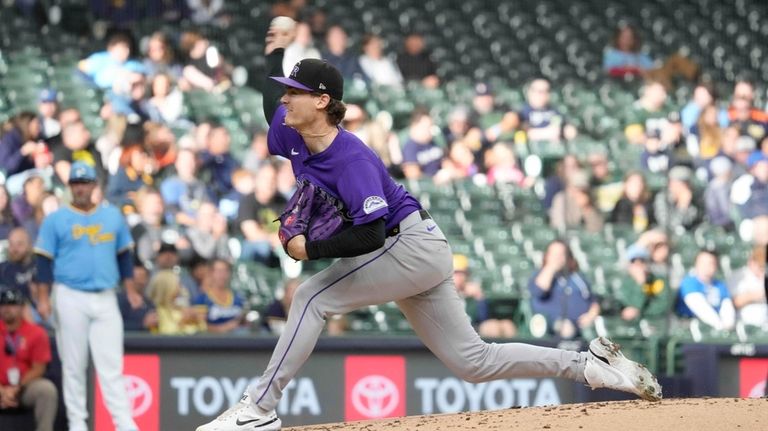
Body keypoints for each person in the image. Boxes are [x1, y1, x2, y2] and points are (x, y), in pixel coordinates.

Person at [195, 29, 661, 431]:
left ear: (321, 101)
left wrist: (309, 247)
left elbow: (370, 236)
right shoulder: (295, 133)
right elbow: (264, 102)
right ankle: (590, 365)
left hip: (404, 246)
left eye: (294, 91)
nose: (284, 98)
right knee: (474, 362)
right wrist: (271, 55)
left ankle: (259, 408)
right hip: (414, 250)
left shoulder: (351, 157)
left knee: (311, 297)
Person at [32, 161, 140, 431]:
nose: (80, 188)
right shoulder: (56, 219)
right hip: (70, 294)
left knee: (111, 366)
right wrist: (44, 299)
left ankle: (124, 424)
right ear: (69, 187)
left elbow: (124, 256)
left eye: (84, 182)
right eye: (75, 183)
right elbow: (43, 262)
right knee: (73, 365)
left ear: (94, 185)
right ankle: (77, 424)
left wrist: (130, 289)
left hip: (105, 295)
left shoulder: (112, 216)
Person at [0, 288, 58, 431]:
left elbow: (39, 368)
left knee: (46, 390)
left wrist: (16, 388)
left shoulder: (36, 333)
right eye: (3, 304)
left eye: (13, 304)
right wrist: (2, 391)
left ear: (22, 308)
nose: (7, 309)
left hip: (24, 387)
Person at [528, 240, 600, 339]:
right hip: (552, 328)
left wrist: (591, 315)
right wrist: (551, 267)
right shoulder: (539, 275)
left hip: (582, 327)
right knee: (565, 328)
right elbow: (539, 290)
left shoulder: (577, 277)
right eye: (554, 254)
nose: (557, 257)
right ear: (547, 256)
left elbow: (593, 301)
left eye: (561, 254)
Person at [675, 249, 735, 331]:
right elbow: (699, 306)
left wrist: (728, 326)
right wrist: (720, 326)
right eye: (702, 263)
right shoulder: (689, 282)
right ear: (696, 263)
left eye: (711, 263)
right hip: (691, 328)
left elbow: (727, 307)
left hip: (717, 329)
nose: (706, 267)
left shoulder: (719, 285)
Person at [616, 245, 673, 322]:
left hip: (656, 323)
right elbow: (630, 305)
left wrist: (640, 312)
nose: (638, 265)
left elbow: (663, 305)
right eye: (633, 261)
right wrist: (640, 283)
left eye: (642, 261)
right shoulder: (625, 285)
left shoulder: (660, 281)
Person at [191, 259, 245, 334]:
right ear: (211, 273)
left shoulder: (238, 297)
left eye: (225, 271)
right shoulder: (202, 299)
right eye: (219, 271)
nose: (222, 275)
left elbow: (242, 322)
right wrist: (223, 328)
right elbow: (201, 326)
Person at [727, 246, 767, 328]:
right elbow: (733, 302)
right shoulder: (739, 276)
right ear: (751, 261)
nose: (762, 269)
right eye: (760, 266)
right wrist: (753, 295)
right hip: (745, 325)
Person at [117, 262, 157, 332]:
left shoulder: (149, 302)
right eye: (136, 278)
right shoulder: (120, 299)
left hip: (149, 341)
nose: (140, 282)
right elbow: (115, 325)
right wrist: (142, 324)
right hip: (128, 341)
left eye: (143, 277)